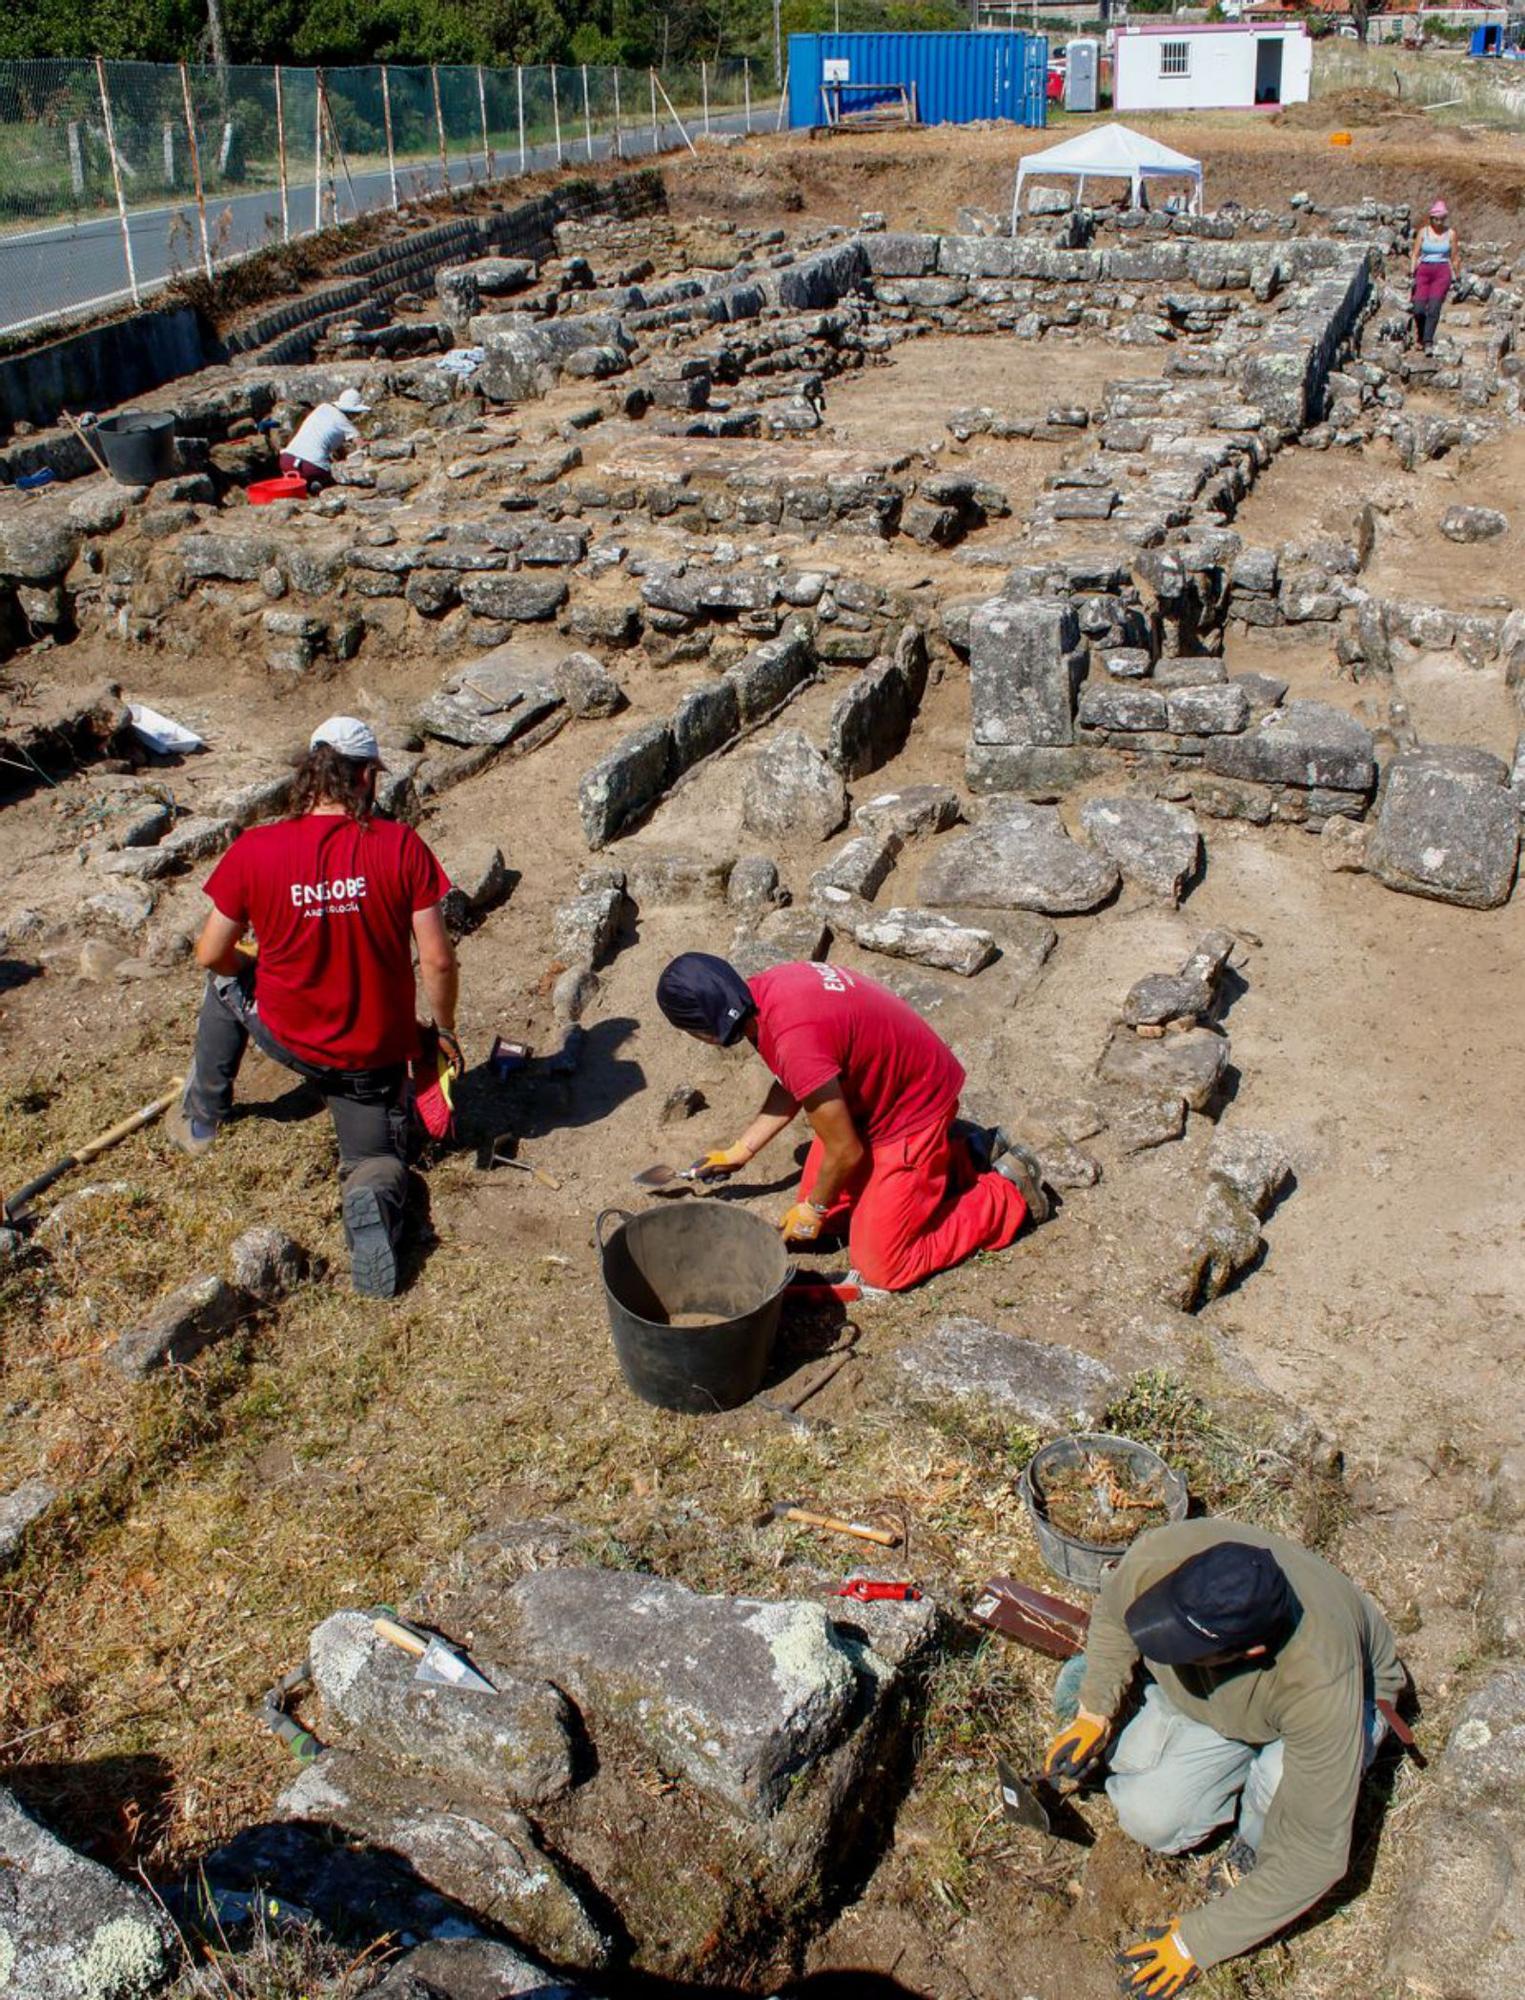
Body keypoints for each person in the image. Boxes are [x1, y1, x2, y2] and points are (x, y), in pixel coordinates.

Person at [1041, 1520, 1404, 1997]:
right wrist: (1095, 1710)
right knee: (1150, 1815)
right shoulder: (1165, 1556)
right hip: (1228, 1696)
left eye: (1181, 1643)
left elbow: (1317, 1855)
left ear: (1248, 1650)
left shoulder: (1322, 1684)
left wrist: (1198, 1943)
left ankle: (1254, 1844)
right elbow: (1115, 1615)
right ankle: (1213, 1745)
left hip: (1332, 1709)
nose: (1161, 1639)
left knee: (1278, 1776)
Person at [166, 716, 460, 1299]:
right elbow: (439, 961)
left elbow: (211, 953)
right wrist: (443, 1031)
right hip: (372, 1055)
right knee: (376, 1157)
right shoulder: (399, 845)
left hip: (289, 1033)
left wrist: (250, 967)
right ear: (367, 776)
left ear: (312, 772)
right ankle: (370, 1198)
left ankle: (202, 1117)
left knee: (226, 983)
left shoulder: (257, 848)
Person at [654, 953, 1048, 1293]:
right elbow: (796, 1079)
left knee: (880, 1264)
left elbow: (845, 1149)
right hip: (881, 1093)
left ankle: (1007, 1191)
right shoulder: (764, 994)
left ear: (701, 1030)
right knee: (831, 1222)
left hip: (913, 1111)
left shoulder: (792, 1038)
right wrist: (741, 1150)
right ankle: (966, 1157)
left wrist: (814, 1206)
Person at [279, 386, 369, 491]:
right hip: (310, 466)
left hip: (287, 460)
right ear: (352, 412)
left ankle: (305, 485)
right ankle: (318, 485)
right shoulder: (344, 422)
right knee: (337, 475)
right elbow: (360, 444)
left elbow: (330, 442)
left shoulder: (323, 407)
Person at [1410, 200, 1459, 355]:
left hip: (1442, 271)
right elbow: (1415, 253)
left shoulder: (1450, 234)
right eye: (1436, 219)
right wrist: (1412, 271)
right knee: (1418, 308)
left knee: (1434, 307)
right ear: (1431, 218)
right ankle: (1421, 333)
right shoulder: (1423, 232)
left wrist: (1457, 276)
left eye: (1442, 219)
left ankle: (1428, 341)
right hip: (1424, 270)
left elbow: (1455, 257)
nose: (1439, 222)